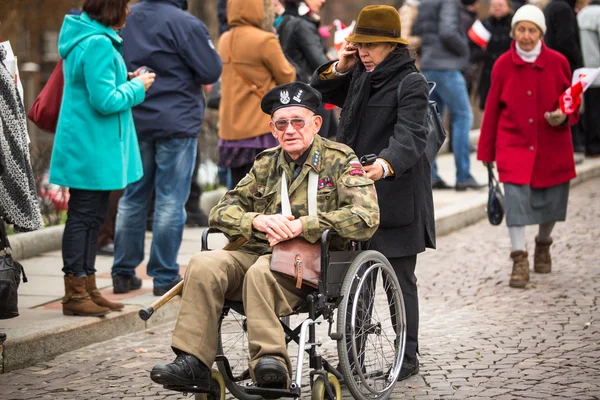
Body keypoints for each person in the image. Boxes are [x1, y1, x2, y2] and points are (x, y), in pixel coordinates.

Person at [150, 82, 380, 391]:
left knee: (261, 272)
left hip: (316, 261)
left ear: (316, 123)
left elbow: (367, 216)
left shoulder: (339, 159)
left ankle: (269, 362)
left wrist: (305, 225)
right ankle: (193, 363)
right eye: (281, 124)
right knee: (204, 263)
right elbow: (221, 211)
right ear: (272, 129)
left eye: (297, 121)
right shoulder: (266, 163)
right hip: (261, 252)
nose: (289, 130)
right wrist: (256, 220)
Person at [311, 5, 434, 381]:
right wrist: (343, 65)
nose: (363, 51)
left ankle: (407, 357)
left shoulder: (409, 82)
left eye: (370, 45)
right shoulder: (362, 73)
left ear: (391, 46)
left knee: (400, 281)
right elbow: (322, 91)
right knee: (356, 285)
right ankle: (355, 362)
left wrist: (384, 164)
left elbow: (412, 135)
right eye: (359, 44)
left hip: (397, 196)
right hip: (357, 200)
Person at [49, 0, 155, 316]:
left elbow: (99, 87)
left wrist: (126, 77)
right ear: (111, 9)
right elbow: (105, 101)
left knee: (94, 216)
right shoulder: (96, 42)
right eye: (124, 5)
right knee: (84, 218)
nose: (129, 11)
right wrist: (137, 86)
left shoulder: (94, 38)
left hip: (92, 144)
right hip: (89, 147)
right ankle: (75, 292)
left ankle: (88, 286)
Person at [112, 0, 222, 297]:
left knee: (133, 197)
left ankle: (123, 272)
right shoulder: (185, 23)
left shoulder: (126, 16)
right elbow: (210, 70)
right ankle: (163, 275)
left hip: (134, 116)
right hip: (176, 120)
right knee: (171, 200)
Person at [477, 5, 578, 288]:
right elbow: (493, 111)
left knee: (553, 201)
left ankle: (543, 243)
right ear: (514, 32)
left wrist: (564, 116)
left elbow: (570, 102)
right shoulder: (502, 65)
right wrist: (486, 152)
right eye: (521, 29)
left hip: (552, 143)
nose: (526, 35)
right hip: (514, 143)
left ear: (541, 34)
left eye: (532, 30)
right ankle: (519, 258)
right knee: (516, 201)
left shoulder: (558, 62)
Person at [217, 0, 296, 188]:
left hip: (230, 132)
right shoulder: (264, 40)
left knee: (238, 190)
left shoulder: (224, 40)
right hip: (258, 129)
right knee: (266, 190)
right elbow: (287, 77)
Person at [413, 0, 482, 191]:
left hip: (429, 65)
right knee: (463, 116)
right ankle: (463, 175)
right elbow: (448, 31)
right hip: (447, 67)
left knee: (432, 122)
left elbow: (418, 28)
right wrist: (465, 50)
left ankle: (431, 175)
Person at [278, 0, 338, 139]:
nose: (323, 1)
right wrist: (339, 60)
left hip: (294, 97)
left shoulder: (285, 21)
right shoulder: (303, 26)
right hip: (312, 98)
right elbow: (322, 66)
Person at [477, 0, 514, 110]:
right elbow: (472, 48)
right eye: (494, 5)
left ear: (509, 7)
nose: (497, 8)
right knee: (488, 107)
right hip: (488, 73)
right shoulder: (483, 24)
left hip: (510, 73)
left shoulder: (515, 25)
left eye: (500, 5)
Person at [578, 0, 600, 157]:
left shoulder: (581, 15)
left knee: (587, 111)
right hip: (598, 71)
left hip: (583, 72)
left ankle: (588, 145)